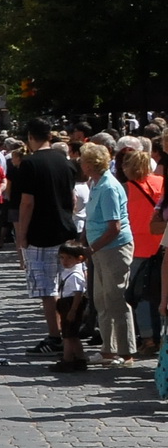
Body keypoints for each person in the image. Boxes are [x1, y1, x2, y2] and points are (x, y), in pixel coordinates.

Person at [14, 118, 80, 355]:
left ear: (31, 136)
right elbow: (72, 199)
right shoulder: (64, 161)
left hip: (41, 234)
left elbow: (27, 203)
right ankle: (71, 333)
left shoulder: (30, 164)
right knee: (68, 285)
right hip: (66, 230)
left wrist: (22, 235)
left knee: (47, 289)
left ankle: (55, 336)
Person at [81, 142, 136, 365]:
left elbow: (115, 226)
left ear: (91, 164)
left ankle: (126, 352)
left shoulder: (109, 187)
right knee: (101, 298)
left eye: (83, 160)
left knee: (117, 299)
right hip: (99, 248)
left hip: (114, 248)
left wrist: (92, 247)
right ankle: (108, 348)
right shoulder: (95, 183)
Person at [121, 147, 163, 353]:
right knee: (161, 292)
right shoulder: (161, 183)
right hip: (162, 244)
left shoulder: (127, 188)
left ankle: (147, 338)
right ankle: (162, 336)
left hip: (138, 247)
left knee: (140, 294)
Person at [55, 243, 91, 372]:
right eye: (62, 257)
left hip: (71, 305)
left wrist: (73, 310)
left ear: (79, 259)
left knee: (68, 336)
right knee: (73, 335)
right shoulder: (67, 272)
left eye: (69, 258)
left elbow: (78, 294)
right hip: (65, 303)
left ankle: (67, 359)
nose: (65, 261)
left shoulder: (75, 275)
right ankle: (80, 358)